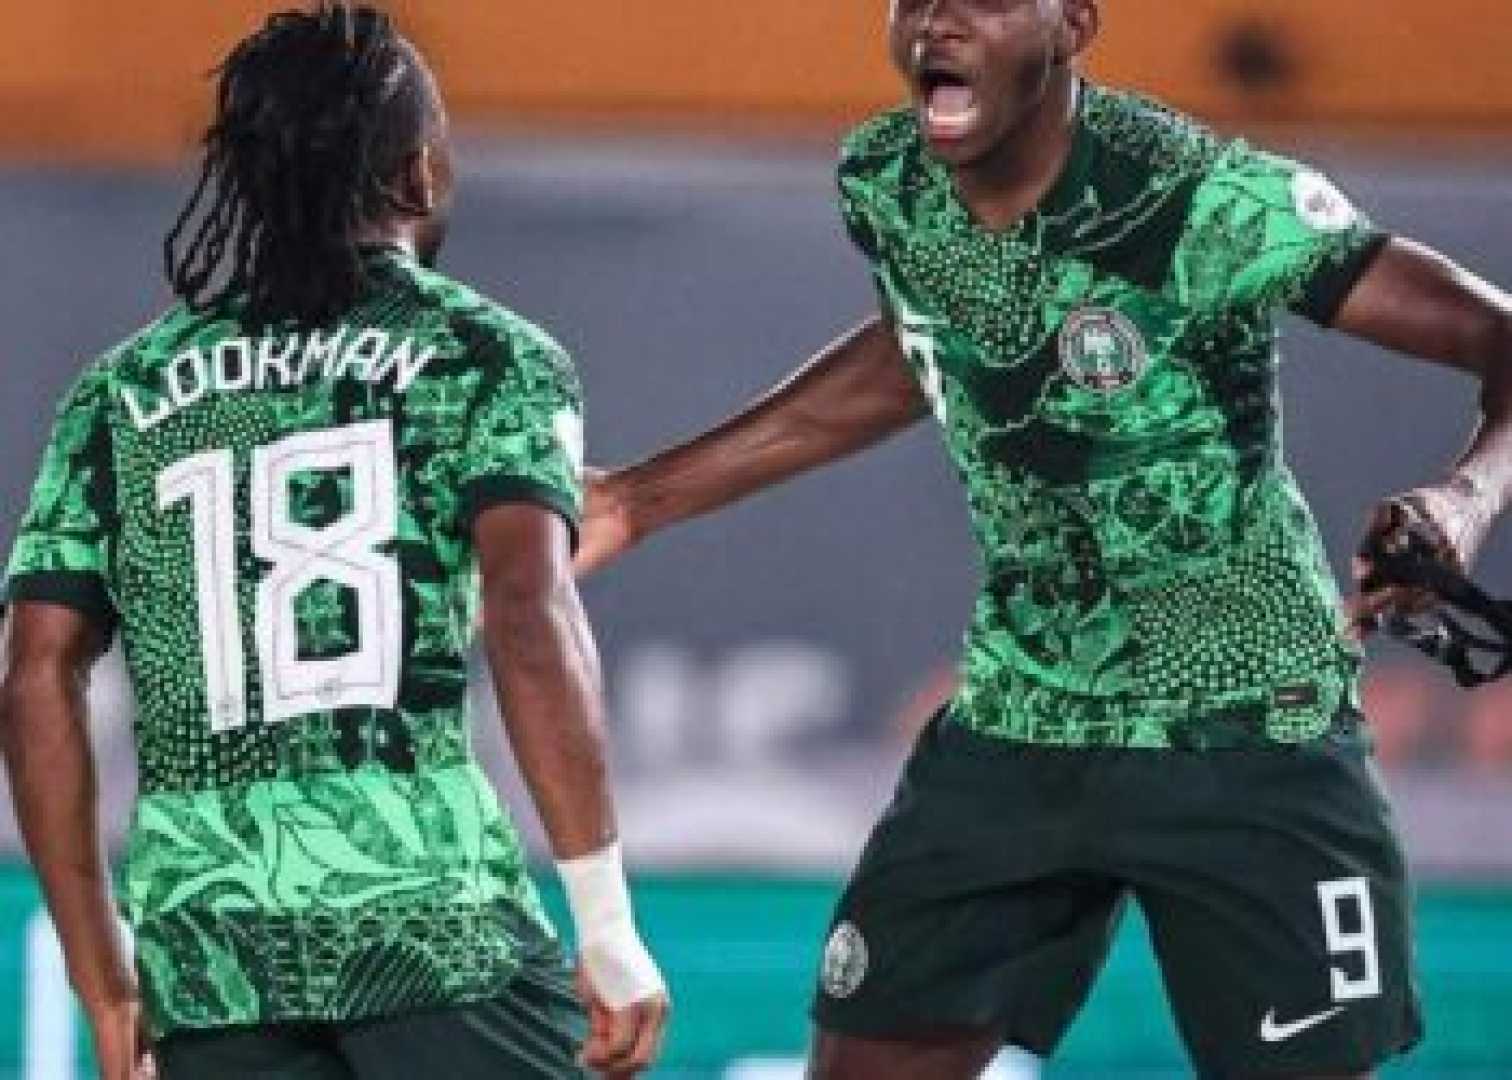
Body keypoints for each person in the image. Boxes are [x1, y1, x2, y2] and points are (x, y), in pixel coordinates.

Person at [577, 1, 1512, 1076]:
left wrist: (1465, 500)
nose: (936, 22)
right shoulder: (890, 180)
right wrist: (639, 499)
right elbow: (928, 347)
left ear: (1072, 23)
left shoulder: (1205, 200)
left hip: (1245, 728)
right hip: (1021, 718)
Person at [0, 5, 668, 1078]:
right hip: (429, 924)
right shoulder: (484, 355)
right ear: (419, 173)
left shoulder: (118, 395)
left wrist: (103, 974)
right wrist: (605, 920)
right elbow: (528, 612)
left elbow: (36, 671)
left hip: (210, 955)